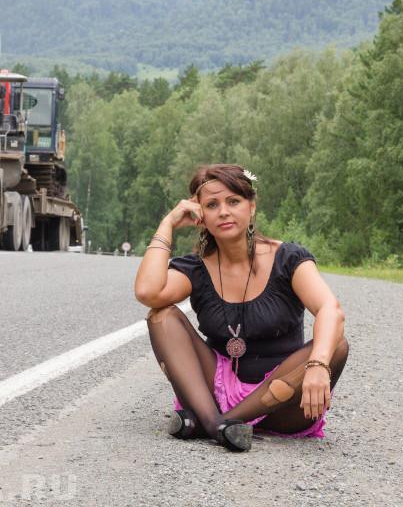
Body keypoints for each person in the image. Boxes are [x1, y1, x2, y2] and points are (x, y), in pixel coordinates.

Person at [134, 164, 349, 452]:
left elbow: (330, 309)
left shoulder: (288, 258)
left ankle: (213, 424)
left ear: (252, 208)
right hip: (215, 392)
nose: (223, 211)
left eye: (233, 201)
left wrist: (319, 364)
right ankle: (219, 426)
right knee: (161, 316)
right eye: (212, 205)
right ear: (201, 216)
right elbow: (148, 292)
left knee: (337, 345)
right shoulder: (197, 269)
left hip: (282, 399)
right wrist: (167, 223)